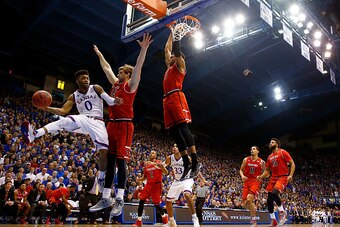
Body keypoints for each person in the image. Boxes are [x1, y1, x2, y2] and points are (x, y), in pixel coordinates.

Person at [21, 69, 122, 209]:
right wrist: (46, 108)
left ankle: (102, 177)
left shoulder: (96, 88)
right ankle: (34, 134)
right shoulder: (73, 96)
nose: (86, 80)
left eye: (87, 78)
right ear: (77, 81)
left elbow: (110, 101)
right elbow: (63, 110)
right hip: (83, 121)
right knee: (63, 120)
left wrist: (115, 100)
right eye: (83, 78)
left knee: (104, 152)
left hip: (97, 122)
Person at [90, 33, 152, 216]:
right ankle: (106, 196)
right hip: (112, 125)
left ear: (128, 74)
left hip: (125, 125)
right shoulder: (116, 84)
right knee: (109, 161)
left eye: (121, 72)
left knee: (120, 162)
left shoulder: (130, 85)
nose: (118, 74)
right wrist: (99, 54)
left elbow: (139, 68)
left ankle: (120, 198)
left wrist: (144, 50)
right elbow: (107, 68)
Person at [163, 28, 199, 180]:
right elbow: (167, 49)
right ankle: (186, 162)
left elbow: (176, 49)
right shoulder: (169, 68)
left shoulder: (180, 65)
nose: (170, 56)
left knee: (183, 128)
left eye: (173, 56)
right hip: (166, 99)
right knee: (173, 131)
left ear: (178, 59)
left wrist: (177, 35)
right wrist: (171, 31)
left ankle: (195, 161)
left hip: (177, 96)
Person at [257, 138, 296, 227]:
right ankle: (274, 220)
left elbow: (292, 164)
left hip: (283, 177)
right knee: (269, 200)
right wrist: (260, 176)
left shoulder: (283, 152)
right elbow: (267, 171)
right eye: (270, 142)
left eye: (272, 142)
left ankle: (282, 212)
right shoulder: (269, 157)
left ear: (277, 144)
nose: (270, 143)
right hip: (273, 178)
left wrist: (290, 175)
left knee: (274, 193)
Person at [164, 144, 205, 227]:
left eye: (177, 146)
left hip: (187, 179)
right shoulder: (170, 158)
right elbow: (163, 167)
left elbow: (195, 169)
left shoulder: (187, 158)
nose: (174, 148)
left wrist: (203, 179)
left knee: (187, 194)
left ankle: (195, 218)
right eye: (173, 146)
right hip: (176, 181)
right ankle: (171, 221)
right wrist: (158, 166)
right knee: (168, 202)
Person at [132, 150, 169, 227]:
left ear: (155, 155)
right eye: (151, 153)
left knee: (156, 204)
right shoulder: (146, 166)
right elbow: (144, 177)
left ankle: (165, 217)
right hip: (149, 184)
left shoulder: (159, 163)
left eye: (153, 153)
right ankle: (139, 221)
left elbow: (166, 172)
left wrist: (159, 166)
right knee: (141, 200)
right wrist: (139, 179)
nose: (151, 154)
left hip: (157, 185)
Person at [239, 145, 265, 227]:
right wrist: (242, 176)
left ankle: (253, 220)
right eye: (251, 149)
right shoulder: (246, 159)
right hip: (247, 181)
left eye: (254, 149)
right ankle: (253, 209)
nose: (252, 150)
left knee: (249, 198)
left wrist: (261, 176)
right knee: (244, 204)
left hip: (255, 182)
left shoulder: (261, 162)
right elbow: (240, 170)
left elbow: (267, 174)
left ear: (258, 151)